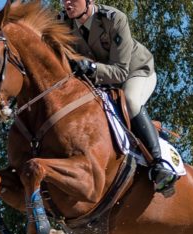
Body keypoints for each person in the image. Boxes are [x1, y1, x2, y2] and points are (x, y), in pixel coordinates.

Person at [59, 0, 177, 195]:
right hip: (100, 81)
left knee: (130, 101)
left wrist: (91, 68)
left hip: (135, 72)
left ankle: (159, 165)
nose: (67, 2)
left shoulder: (114, 19)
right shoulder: (62, 23)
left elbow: (121, 72)